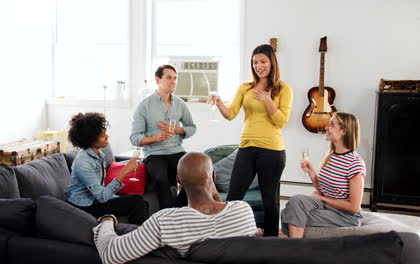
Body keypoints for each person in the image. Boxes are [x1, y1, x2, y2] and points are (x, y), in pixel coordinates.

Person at [93, 152, 258, 264]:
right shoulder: (243, 211)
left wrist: (108, 220)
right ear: (213, 176)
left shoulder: (166, 221)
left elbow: (110, 254)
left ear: (179, 181)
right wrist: (212, 190)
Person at [209, 44, 293, 236]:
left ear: (272, 62)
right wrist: (219, 102)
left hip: (272, 151)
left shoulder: (284, 89)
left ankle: (270, 240)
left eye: (263, 61)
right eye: (255, 62)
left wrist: (267, 99)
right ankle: (230, 234)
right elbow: (231, 114)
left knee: (269, 200)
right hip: (246, 148)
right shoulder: (245, 87)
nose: (258, 66)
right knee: (233, 197)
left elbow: (281, 121)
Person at [281, 112, 366, 238]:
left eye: (331, 124)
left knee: (289, 212)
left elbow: (354, 207)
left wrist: (322, 198)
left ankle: (292, 245)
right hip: (327, 206)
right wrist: (311, 173)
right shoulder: (332, 156)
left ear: (343, 131)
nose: (326, 127)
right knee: (295, 201)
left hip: (344, 216)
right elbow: (324, 191)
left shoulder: (355, 164)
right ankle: (291, 240)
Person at [130, 64, 196, 209]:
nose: (173, 81)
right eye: (169, 78)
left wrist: (179, 130)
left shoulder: (180, 104)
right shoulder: (144, 105)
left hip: (177, 151)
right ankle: (169, 218)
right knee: (161, 178)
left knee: (195, 173)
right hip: (154, 154)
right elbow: (134, 137)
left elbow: (192, 128)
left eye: (175, 78)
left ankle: (178, 209)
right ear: (158, 80)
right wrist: (155, 138)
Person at [65, 112, 147, 225]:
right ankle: (135, 239)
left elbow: (102, 189)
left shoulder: (98, 154)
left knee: (143, 202)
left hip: (95, 199)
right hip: (84, 206)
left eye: (105, 132)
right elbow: (102, 197)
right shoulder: (83, 163)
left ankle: (143, 234)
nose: (107, 136)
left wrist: (117, 197)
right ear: (90, 138)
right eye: (102, 135)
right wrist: (124, 171)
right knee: (137, 201)